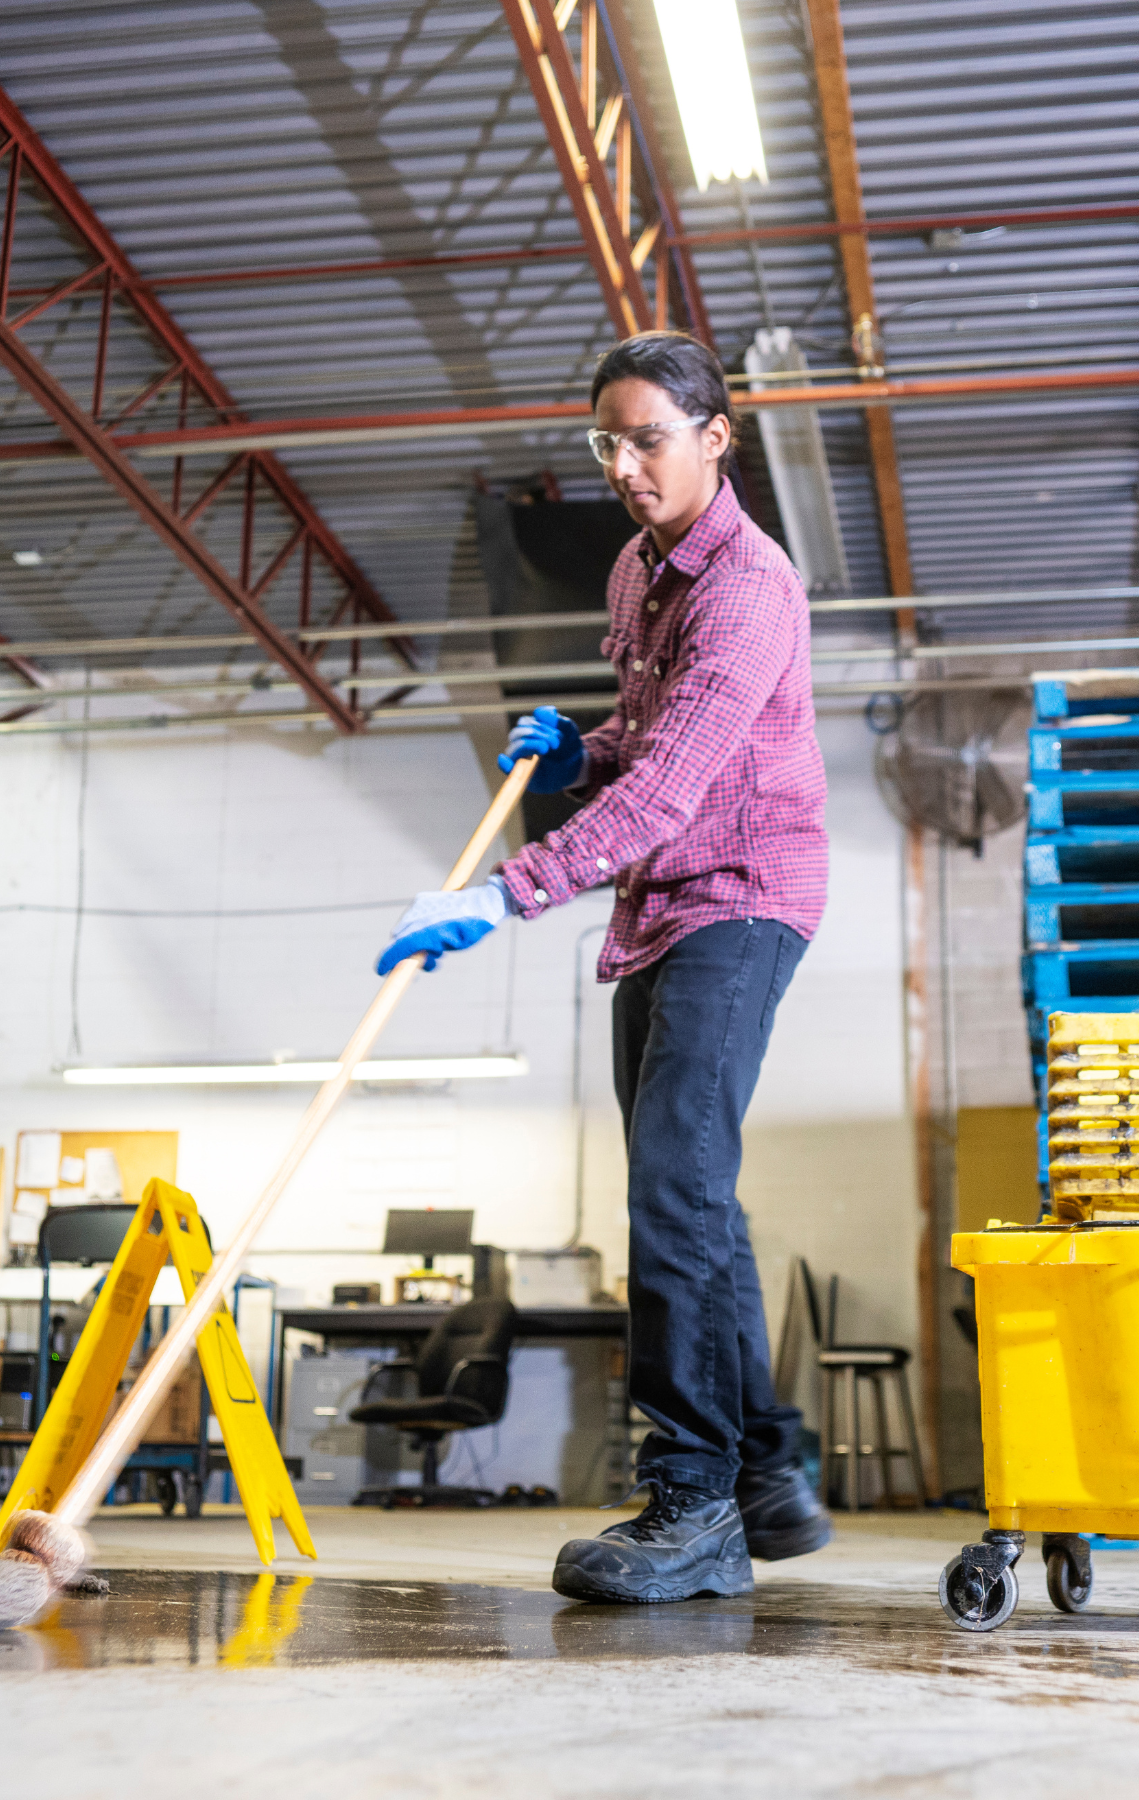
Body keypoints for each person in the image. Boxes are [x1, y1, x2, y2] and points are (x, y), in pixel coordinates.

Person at [377, 330, 831, 1604]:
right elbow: (652, 733)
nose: (627, 466)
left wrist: (501, 896)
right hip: (658, 906)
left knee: (672, 1193)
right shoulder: (639, 571)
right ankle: (764, 1474)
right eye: (608, 442)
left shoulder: (749, 585)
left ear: (714, 436)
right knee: (692, 1191)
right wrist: (584, 745)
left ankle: (693, 1504)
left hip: (743, 894)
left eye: (649, 438)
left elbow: (676, 791)